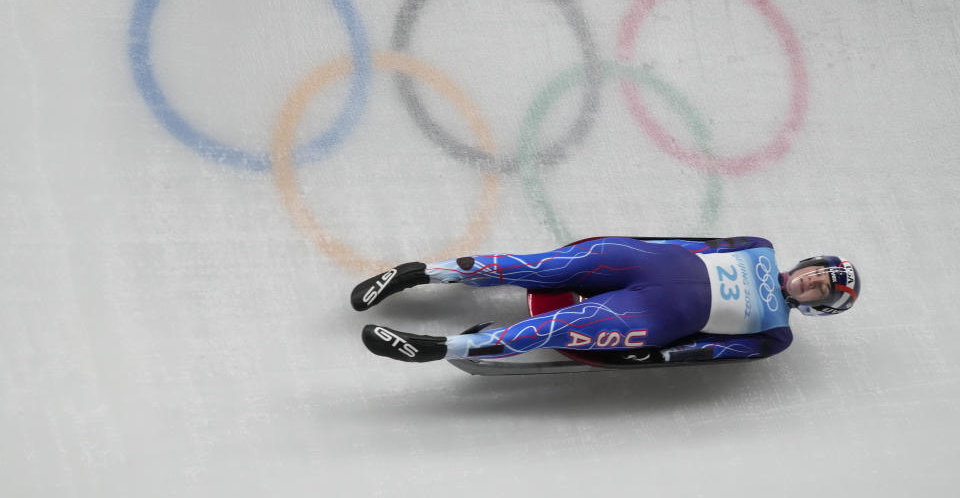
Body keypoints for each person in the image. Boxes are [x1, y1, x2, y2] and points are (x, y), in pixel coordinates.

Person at [350, 236, 860, 365]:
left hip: (652, 317)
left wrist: (655, 356)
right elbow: (694, 245)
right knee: (536, 265)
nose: (811, 281)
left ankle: (435, 348)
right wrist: (635, 245)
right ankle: (417, 273)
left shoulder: (775, 336)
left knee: (552, 330)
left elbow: (709, 351)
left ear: (819, 304)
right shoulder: (760, 247)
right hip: (639, 262)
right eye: (816, 271)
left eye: (820, 287)